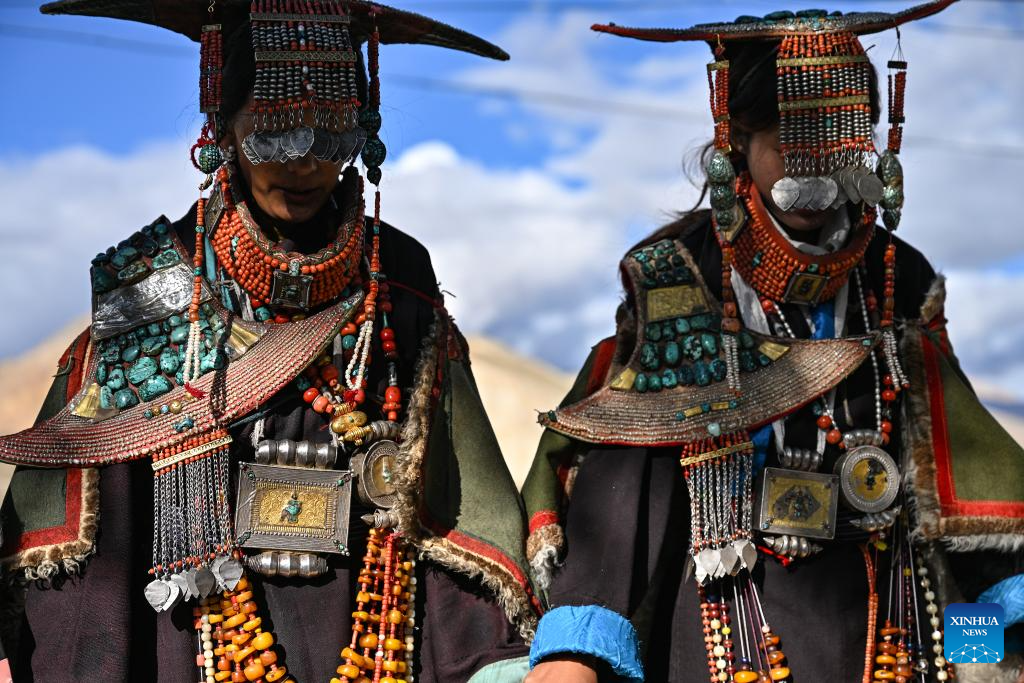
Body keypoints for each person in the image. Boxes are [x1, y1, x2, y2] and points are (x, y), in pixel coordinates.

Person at [0, 2, 537, 681]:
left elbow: (449, 518)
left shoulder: (399, 284)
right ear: (222, 125)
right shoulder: (151, 291)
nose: (306, 163)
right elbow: (84, 567)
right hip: (185, 649)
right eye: (277, 133)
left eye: (332, 136)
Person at [522, 1, 1024, 681]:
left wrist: (993, 653)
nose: (817, 172)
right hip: (723, 624)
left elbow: (957, 502)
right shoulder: (681, 271)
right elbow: (628, 491)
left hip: (887, 623)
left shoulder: (897, 278)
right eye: (791, 141)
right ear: (734, 139)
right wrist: (575, 654)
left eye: (839, 143)